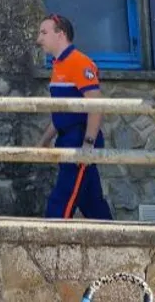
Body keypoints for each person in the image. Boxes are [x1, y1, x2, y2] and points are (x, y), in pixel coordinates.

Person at [36, 14, 114, 220]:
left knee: (61, 201)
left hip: (79, 139)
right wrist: (44, 141)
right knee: (91, 201)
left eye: (44, 33)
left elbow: (95, 104)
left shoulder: (79, 62)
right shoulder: (58, 65)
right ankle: (111, 241)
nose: (39, 39)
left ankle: (50, 244)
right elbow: (62, 111)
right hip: (67, 137)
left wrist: (88, 143)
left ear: (60, 34)